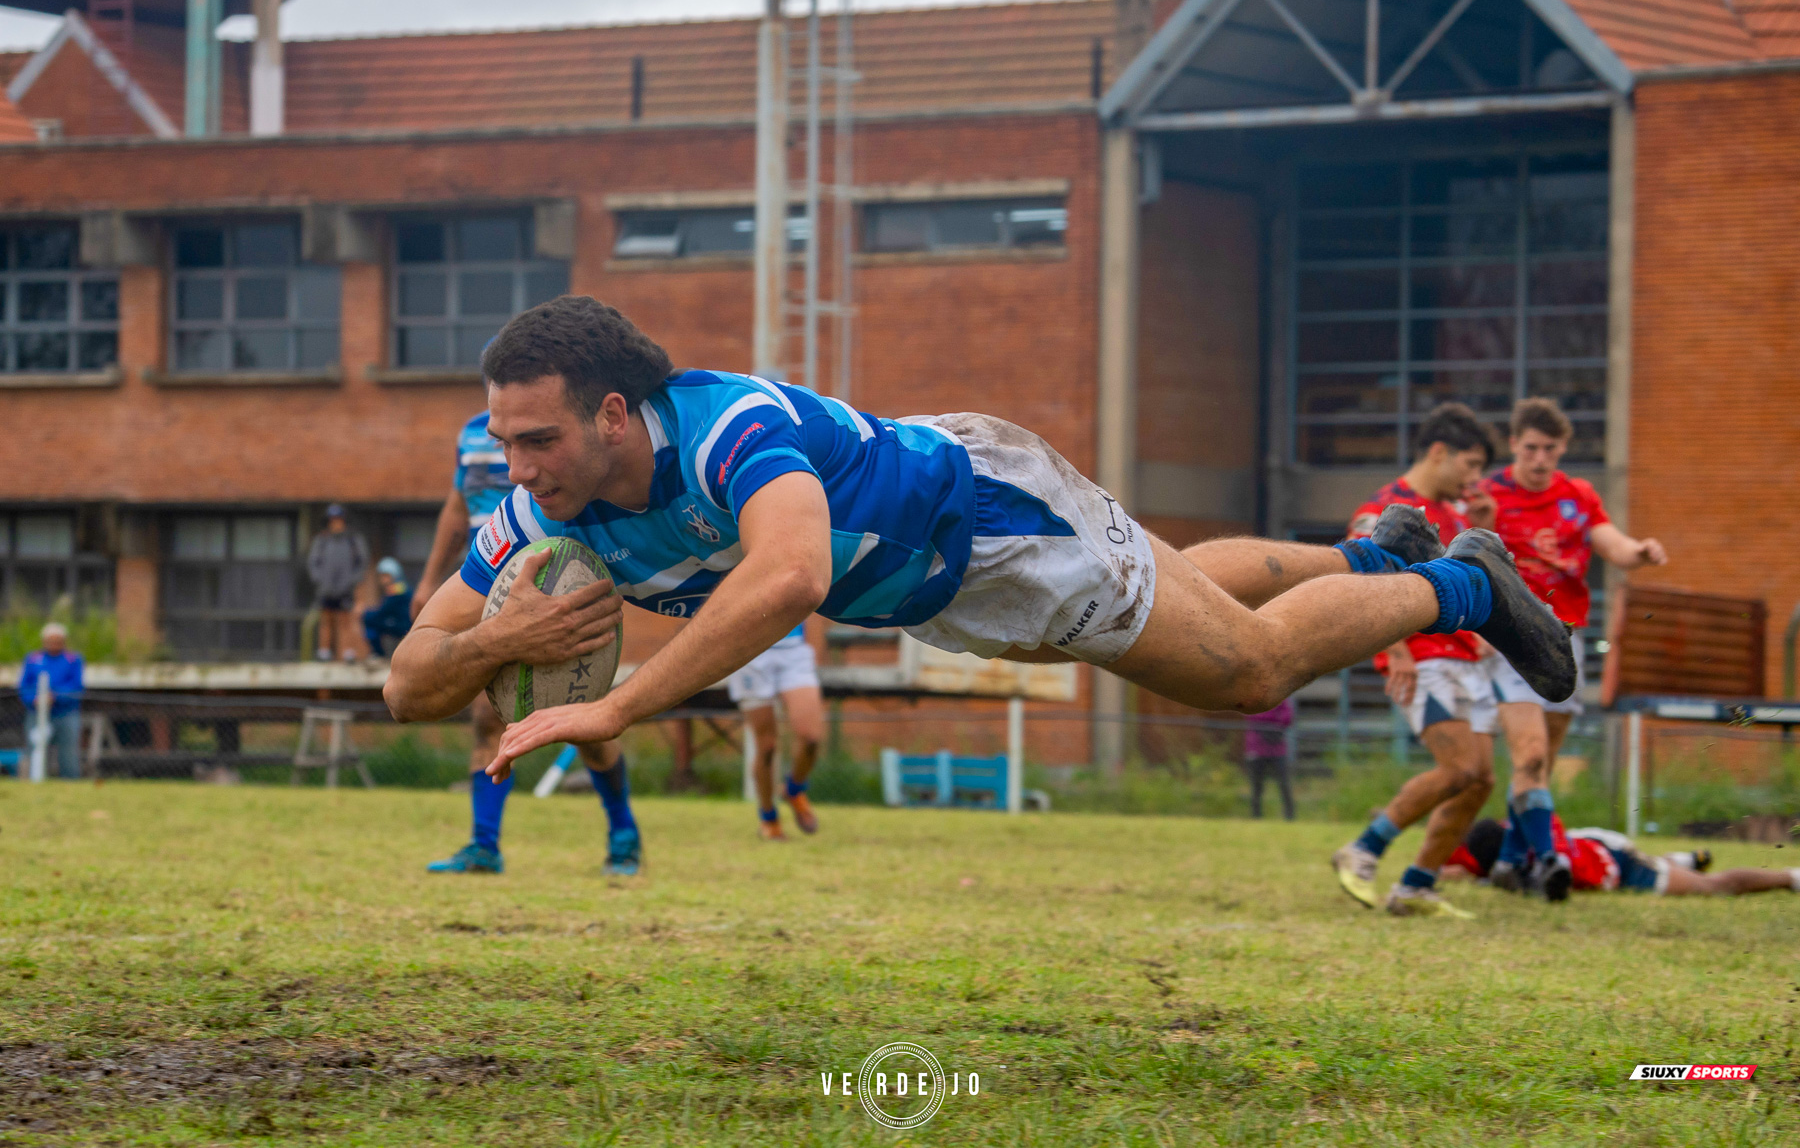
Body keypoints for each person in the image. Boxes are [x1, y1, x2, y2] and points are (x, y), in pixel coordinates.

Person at [383, 298, 1574, 862]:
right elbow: (408, 683)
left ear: (610, 415)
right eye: (503, 442)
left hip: (988, 522)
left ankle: (1465, 582)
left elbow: (792, 571)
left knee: (1244, 672)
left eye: (534, 441)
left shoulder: (728, 426)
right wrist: (500, 642)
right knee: (1171, 589)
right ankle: (1377, 557)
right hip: (944, 580)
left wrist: (621, 700)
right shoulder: (545, 514)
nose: (514, 468)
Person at [410, 409, 641, 877]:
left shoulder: (562, 426)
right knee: (486, 713)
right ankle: (484, 845)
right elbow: (459, 506)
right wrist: (431, 580)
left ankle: (623, 833)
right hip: (486, 587)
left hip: (558, 587)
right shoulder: (471, 433)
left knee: (581, 722)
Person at [1478, 397, 1668, 894]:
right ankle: (1549, 862)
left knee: (1542, 762)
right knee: (1532, 755)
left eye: (1551, 450)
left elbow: (1612, 544)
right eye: (1532, 448)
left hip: (1565, 639)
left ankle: (1508, 860)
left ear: (1563, 449)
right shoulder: (1487, 494)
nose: (1541, 459)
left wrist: (1639, 552)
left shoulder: (1578, 495)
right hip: (1509, 638)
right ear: (1515, 444)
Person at [1330, 404, 1508, 919]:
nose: (1475, 479)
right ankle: (1363, 849)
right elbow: (1360, 578)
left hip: (1467, 660)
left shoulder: (1456, 516)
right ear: (1438, 453)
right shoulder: (1386, 508)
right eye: (1471, 465)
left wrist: (1488, 531)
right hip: (1423, 659)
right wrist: (1395, 648)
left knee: (1481, 780)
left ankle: (1417, 885)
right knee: (1459, 767)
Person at [1446, 817, 1800, 898]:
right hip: (1597, 843)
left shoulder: (1517, 865)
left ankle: (1790, 877)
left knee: (1713, 888)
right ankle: (1683, 859)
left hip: (1619, 865)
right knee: (1675, 868)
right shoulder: (1518, 832)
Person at [728, 623, 825, 840]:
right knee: (767, 746)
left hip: (793, 649)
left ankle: (794, 790)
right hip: (749, 652)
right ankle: (769, 818)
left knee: (811, 738)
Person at [18, 622, 83, 779]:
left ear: (63, 641)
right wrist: (34, 699)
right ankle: (32, 781)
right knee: (35, 748)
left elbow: (76, 686)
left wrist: (56, 696)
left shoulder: (73, 660)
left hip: (65, 713)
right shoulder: (33, 659)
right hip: (37, 712)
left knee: (68, 752)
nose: (54, 644)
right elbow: (24, 685)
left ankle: (71, 783)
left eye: (57, 640)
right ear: (44, 641)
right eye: (50, 640)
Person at [306, 504, 369, 663]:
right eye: (333, 520)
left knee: (345, 621)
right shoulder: (322, 540)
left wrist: (353, 580)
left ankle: (348, 652)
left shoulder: (353, 540)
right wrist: (319, 580)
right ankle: (324, 652)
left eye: (338, 520)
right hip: (326, 589)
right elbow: (313, 562)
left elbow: (362, 562)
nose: (336, 524)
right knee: (326, 620)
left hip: (345, 588)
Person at [1241, 698, 1295, 821]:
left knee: (1284, 784)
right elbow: (1249, 715)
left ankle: (1290, 817)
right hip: (1256, 748)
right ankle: (1256, 817)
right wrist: (1272, 720)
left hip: (1277, 748)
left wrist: (1269, 723)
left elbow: (1288, 717)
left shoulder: (1280, 696)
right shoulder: (1253, 695)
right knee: (1257, 785)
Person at [361, 557, 414, 658]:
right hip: (399, 622)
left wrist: (365, 613)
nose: (382, 579)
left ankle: (378, 654)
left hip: (402, 624)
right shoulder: (400, 587)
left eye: (385, 576)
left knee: (369, 620)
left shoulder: (396, 589)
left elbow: (384, 611)